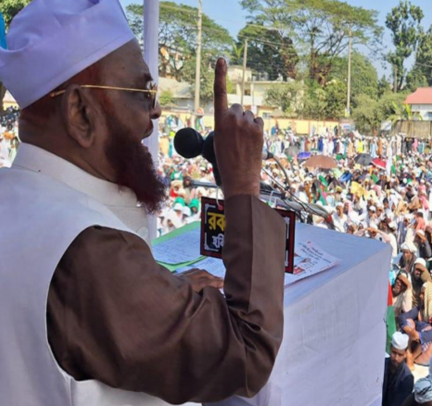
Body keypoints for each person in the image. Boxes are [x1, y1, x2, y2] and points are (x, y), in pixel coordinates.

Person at [0, 1, 287, 403]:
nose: (155, 110)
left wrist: (154, 296)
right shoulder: (88, 250)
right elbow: (247, 352)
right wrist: (243, 186)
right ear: (81, 112)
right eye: (141, 91)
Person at [383, 332, 415, 406]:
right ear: (390, 349)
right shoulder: (383, 365)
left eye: (400, 355)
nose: (396, 358)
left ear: (405, 354)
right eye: (394, 353)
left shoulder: (407, 378)